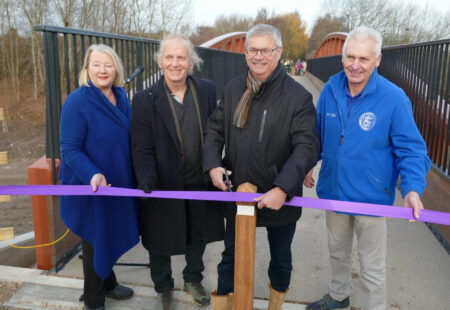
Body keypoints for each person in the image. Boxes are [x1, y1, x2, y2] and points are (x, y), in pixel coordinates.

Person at [304, 27, 431, 310]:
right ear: (342, 57)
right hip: (334, 191)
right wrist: (307, 164)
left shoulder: (394, 98)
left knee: (372, 268)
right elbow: (316, 135)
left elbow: (412, 150)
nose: (355, 65)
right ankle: (338, 296)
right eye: (350, 56)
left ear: (377, 60)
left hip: (371, 197)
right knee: (337, 253)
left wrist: (412, 189)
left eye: (363, 58)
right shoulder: (330, 89)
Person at [203, 24, 320, 310]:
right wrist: (212, 165)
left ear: (279, 53)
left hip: (279, 197)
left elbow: (306, 146)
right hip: (238, 190)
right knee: (230, 256)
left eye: (265, 50)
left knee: (281, 258)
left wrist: (283, 188)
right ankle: (224, 303)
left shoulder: (297, 97)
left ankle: (275, 305)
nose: (258, 56)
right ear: (245, 53)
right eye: (252, 50)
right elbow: (214, 132)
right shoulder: (233, 89)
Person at [130, 34, 224, 310]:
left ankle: (193, 278)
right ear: (160, 61)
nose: (175, 63)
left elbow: (215, 134)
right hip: (162, 182)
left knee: (198, 234)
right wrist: (146, 177)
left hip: (198, 180)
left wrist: (214, 164)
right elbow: (141, 146)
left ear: (191, 62)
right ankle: (163, 286)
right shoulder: (145, 99)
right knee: (159, 239)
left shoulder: (206, 90)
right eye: (169, 57)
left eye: (181, 57)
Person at [59, 44, 139, 310]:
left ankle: (109, 283)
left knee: (110, 231)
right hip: (90, 184)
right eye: (96, 64)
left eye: (108, 64)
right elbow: (69, 149)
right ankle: (93, 300)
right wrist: (93, 174)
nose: (102, 70)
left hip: (118, 182)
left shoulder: (120, 96)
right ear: (87, 69)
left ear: (116, 68)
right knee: (96, 237)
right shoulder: (77, 101)